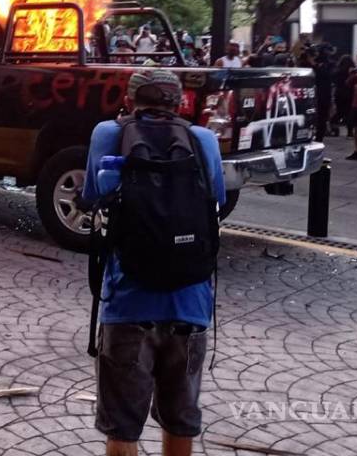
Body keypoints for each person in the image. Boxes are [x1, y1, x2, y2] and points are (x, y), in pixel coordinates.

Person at [79, 70, 225, 456]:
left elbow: (94, 193)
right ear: (179, 103)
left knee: (123, 427)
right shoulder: (204, 140)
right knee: (180, 418)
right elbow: (218, 201)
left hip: (128, 303)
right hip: (191, 305)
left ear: (129, 101)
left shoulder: (107, 134)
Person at [332, 54, 355, 137]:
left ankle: (334, 127)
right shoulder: (352, 71)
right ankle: (350, 132)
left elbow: (334, 80)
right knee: (349, 112)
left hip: (339, 93)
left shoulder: (337, 71)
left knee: (339, 111)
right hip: (350, 93)